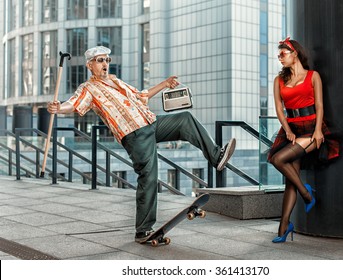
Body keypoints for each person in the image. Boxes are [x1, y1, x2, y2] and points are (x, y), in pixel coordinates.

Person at [47, 46, 236, 243]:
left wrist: (164, 84)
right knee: (149, 176)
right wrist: (59, 107)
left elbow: (140, 96)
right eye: (100, 60)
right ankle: (143, 229)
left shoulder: (115, 81)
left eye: (107, 60)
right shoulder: (88, 89)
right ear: (90, 65)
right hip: (134, 134)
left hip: (151, 123)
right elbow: (74, 103)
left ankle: (216, 156)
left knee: (185, 119)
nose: (105, 64)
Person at [268, 37, 339, 243]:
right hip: (291, 129)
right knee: (291, 177)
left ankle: (306, 194)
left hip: (311, 129)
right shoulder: (278, 80)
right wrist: (288, 130)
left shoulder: (313, 76)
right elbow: (279, 110)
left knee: (278, 160)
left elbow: (319, 106)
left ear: (294, 53)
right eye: (278, 54)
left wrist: (318, 131)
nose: (279, 57)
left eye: (283, 53)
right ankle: (284, 227)